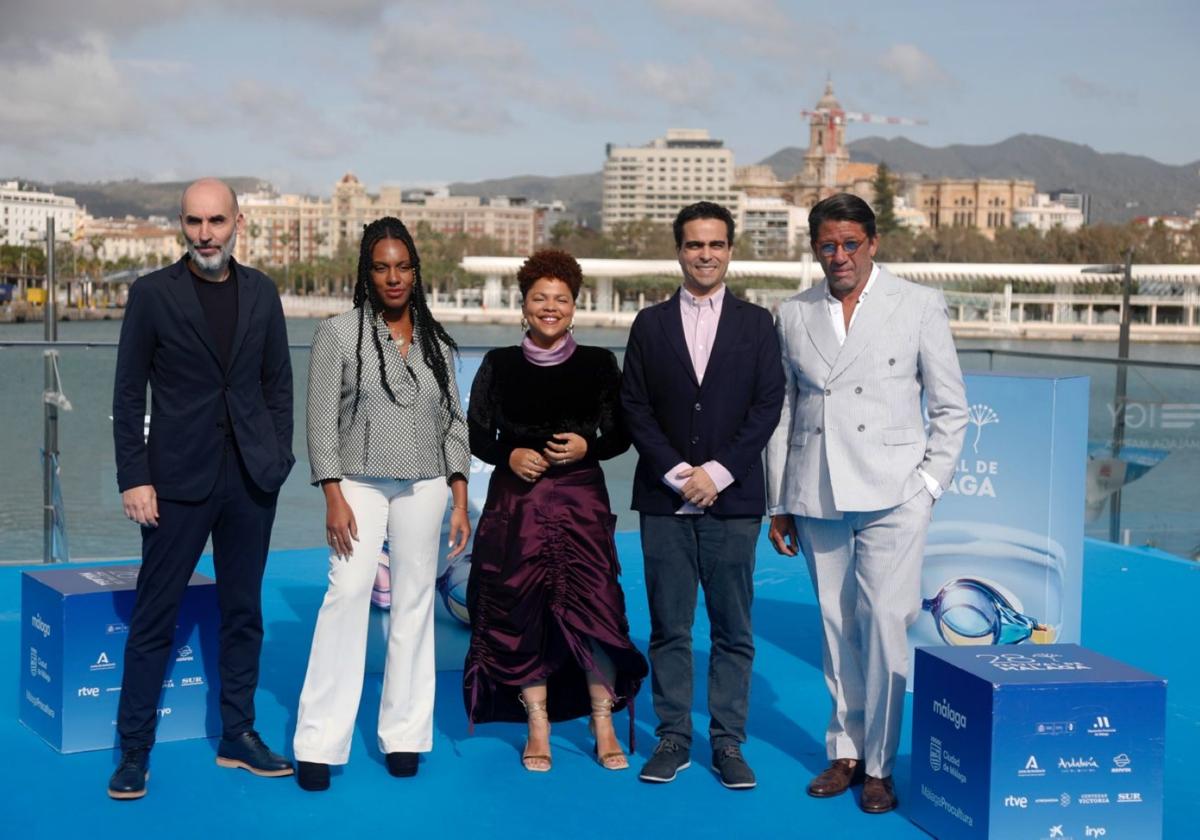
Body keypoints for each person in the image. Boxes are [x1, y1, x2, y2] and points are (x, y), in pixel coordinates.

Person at [765, 193, 967, 814]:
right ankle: (845, 751)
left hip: (895, 492)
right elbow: (783, 412)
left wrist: (928, 486)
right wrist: (779, 500)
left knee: (884, 623)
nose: (840, 255)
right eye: (828, 245)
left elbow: (951, 406)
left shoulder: (919, 304)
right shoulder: (791, 312)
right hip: (816, 489)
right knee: (835, 623)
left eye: (851, 243)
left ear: (873, 243)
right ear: (814, 249)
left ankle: (879, 764)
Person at [109, 177, 295, 800]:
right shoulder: (151, 295)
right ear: (180, 225)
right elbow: (128, 389)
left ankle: (238, 736)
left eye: (217, 220)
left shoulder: (263, 293)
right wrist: (133, 475)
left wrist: (277, 460)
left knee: (244, 613)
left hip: (249, 481)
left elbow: (278, 387)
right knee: (154, 615)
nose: (206, 233)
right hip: (175, 481)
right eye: (194, 222)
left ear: (238, 222)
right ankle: (134, 751)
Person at [293, 217, 471, 791]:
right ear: (366, 273)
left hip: (426, 487)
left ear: (416, 272)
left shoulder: (439, 343)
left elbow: (454, 427)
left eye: (402, 266)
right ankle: (319, 742)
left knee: (416, 604)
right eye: (381, 267)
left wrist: (461, 500)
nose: (393, 277)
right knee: (345, 596)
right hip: (359, 486)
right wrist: (332, 494)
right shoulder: (338, 333)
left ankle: (405, 735)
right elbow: (320, 420)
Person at [463, 249, 647, 773]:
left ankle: (602, 718)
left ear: (574, 306)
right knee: (522, 613)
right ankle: (537, 723)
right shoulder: (499, 364)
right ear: (524, 306)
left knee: (597, 611)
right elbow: (475, 433)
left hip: (580, 503)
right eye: (539, 298)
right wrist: (509, 453)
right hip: (517, 505)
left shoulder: (598, 364)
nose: (550, 307)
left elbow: (619, 434)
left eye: (560, 299)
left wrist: (590, 448)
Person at [621, 202, 784, 790]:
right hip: (664, 503)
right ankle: (672, 738)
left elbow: (768, 404)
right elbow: (634, 407)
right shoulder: (648, 324)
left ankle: (728, 743)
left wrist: (716, 473)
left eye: (716, 244)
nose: (706, 254)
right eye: (694, 245)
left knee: (732, 630)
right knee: (668, 627)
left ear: (731, 250)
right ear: (679, 250)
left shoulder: (758, 323)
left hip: (733, 502)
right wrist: (675, 471)